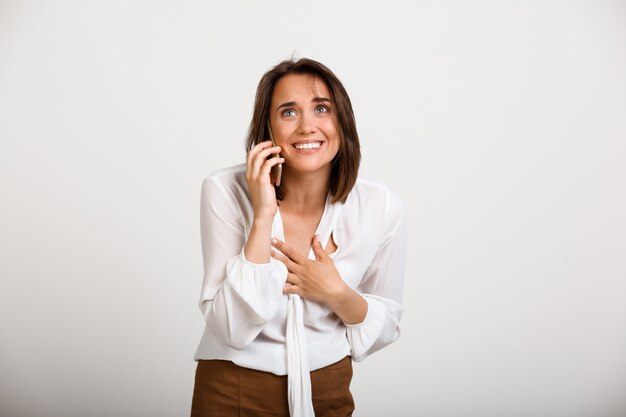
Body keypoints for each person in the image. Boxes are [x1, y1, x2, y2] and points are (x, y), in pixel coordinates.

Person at [191, 57, 407, 417]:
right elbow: (230, 329)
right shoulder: (223, 190)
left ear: (342, 122)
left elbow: (386, 324)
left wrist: (334, 291)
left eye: (322, 108)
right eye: (288, 113)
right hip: (233, 389)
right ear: (268, 129)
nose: (307, 126)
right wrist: (262, 217)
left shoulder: (380, 206)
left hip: (328, 388)